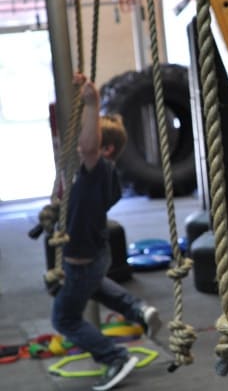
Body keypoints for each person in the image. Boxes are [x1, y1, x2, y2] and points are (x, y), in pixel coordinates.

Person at [51, 73, 161, 391]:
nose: (78, 148)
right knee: (94, 286)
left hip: (83, 256)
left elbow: (87, 147)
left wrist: (92, 103)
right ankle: (137, 309)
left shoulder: (96, 168)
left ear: (106, 149)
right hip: (96, 254)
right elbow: (78, 148)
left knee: (65, 319)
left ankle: (113, 357)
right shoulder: (95, 175)